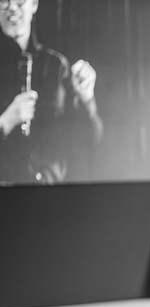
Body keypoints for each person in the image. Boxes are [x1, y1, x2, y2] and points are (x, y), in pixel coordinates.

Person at [0, 0, 102, 184]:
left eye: (20, 0)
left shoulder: (57, 66)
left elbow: (89, 139)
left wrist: (86, 98)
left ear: (34, 4)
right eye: (4, 1)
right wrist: (6, 122)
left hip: (50, 191)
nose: (12, 8)